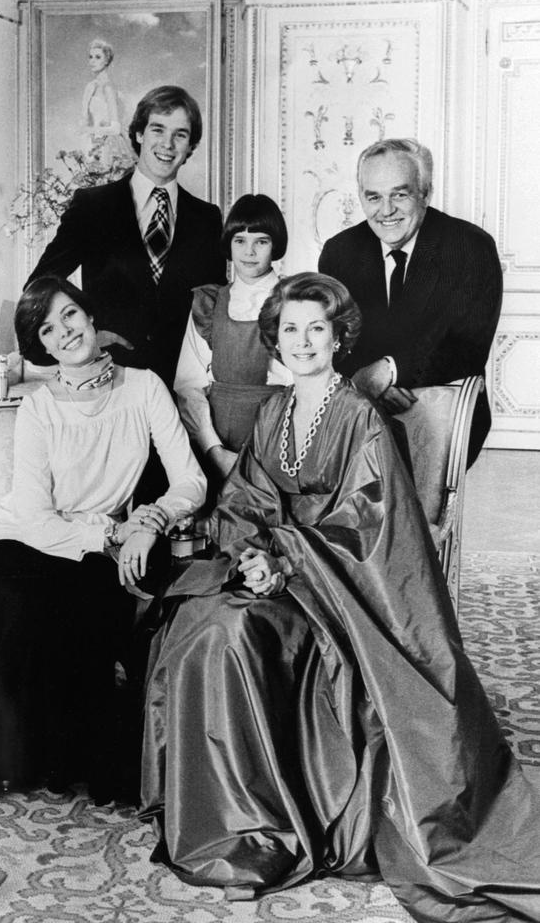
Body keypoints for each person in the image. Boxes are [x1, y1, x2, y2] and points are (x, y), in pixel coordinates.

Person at [140, 272, 540, 922]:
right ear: (274, 337)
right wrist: (252, 555)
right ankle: (230, 819)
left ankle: (268, 826)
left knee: (236, 636)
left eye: (316, 328)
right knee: (195, 619)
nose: (302, 341)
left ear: (338, 337)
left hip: (338, 591)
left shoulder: (361, 417)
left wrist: (287, 556)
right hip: (277, 574)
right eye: (291, 328)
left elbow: (368, 522)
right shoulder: (273, 413)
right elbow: (244, 501)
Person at [0, 277, 206, 838]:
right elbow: (33, 515)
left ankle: (5, 758)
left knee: (62, 604)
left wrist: (150, 520)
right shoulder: (39, 409)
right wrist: (109, 538)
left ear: (91, 318)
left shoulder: (144, 388)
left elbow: (189, 479)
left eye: (70, 315)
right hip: (38, 540)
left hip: (106, 549)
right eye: (49, 327)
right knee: (1, 578)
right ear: (41, 345)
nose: (65, 331)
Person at [26, 84, 225, 389]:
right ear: (139, 134)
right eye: (158, 129)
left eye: (180, 135)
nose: (168, 144)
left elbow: (214, 310)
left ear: (190, 147)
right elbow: (38, 289)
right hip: (108, 385)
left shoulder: (208, 219)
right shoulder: (93, 207)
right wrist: (84, 341)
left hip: (183, 391)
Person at [318, 138, 502, 466]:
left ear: (425, 192)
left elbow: (467, 347)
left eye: (399, 194)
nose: (386, 210)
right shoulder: (340, 252)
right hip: (360, 402)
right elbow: (332, 339)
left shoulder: (470, 247)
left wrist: (388, 370)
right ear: (361, 196)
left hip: (440, 408)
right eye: (374, 197)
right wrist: (364, 381)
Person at [174, 194, 292, 485]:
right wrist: (213, 450)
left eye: (261, 241)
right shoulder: (210, 303)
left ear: (275, 245)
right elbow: (188, 386)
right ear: (228, 245)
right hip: (216, 444)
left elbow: (303, 387)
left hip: (276, 443)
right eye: (240, 240)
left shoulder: (295, 301)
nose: (249, 251)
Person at [80, 38, 136, 173]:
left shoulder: (109, 88)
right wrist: (87, 135)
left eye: (98, 57)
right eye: (90, 57)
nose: (92, 61)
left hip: (109, 145)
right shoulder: (90, 87)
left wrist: (90, 130)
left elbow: (116, 128)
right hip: (91, 144)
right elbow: (84, 119)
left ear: (107, 61)